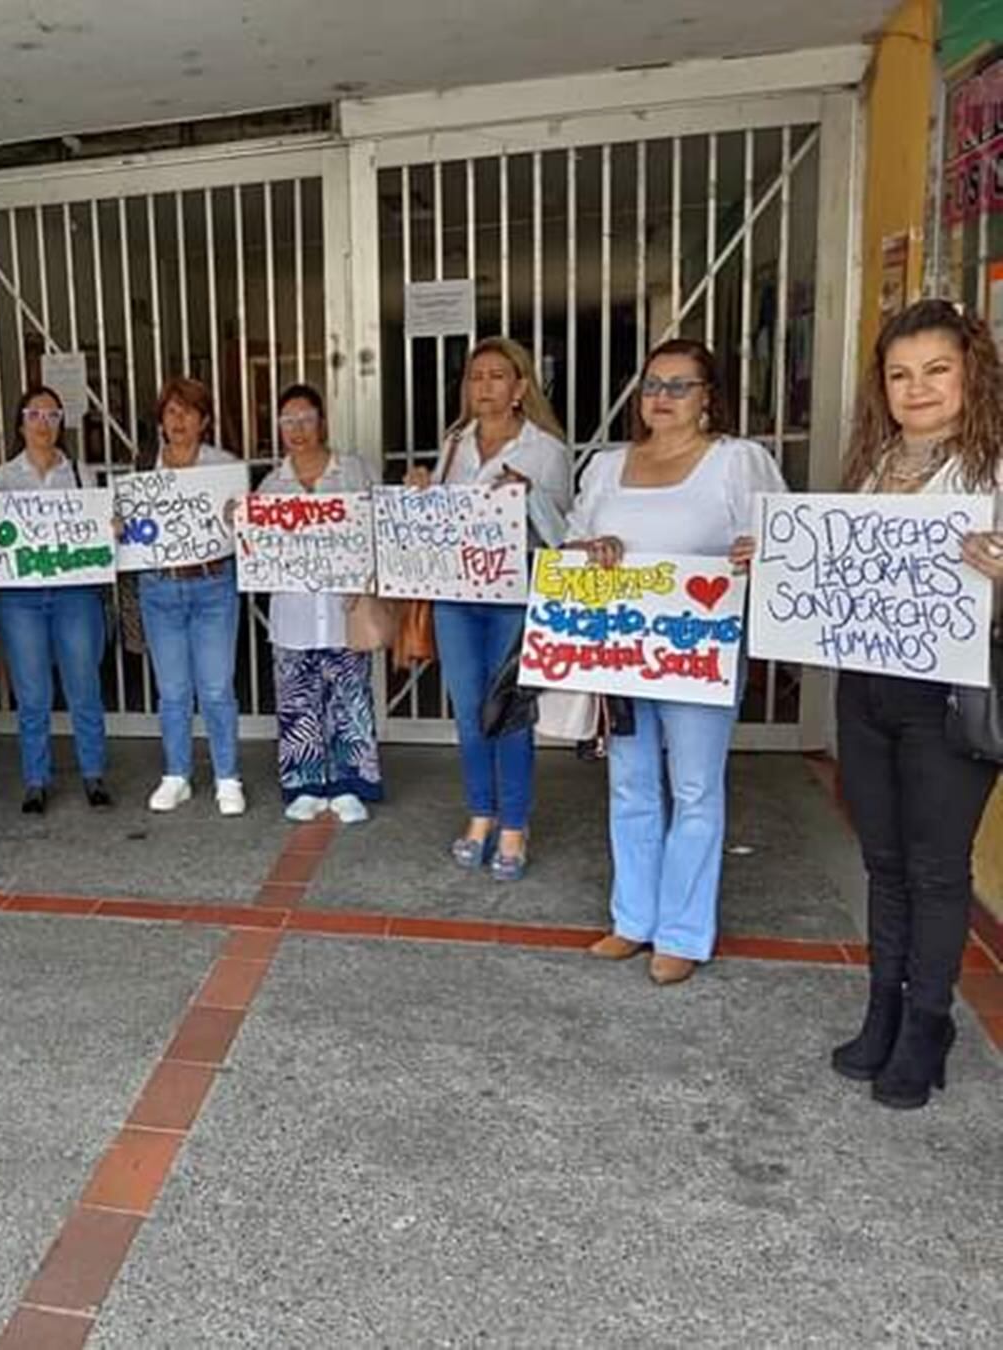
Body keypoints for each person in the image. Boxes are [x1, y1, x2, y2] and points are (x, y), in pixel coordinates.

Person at [564, 339, 785, 986]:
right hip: (622, 648)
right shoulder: (606, 466)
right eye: (653, 385)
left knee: (694, 788)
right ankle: (633, 918)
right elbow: (573, 540)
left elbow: (780, 537)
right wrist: (592, 546)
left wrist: (756, 551)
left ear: (708, 397)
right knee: (629, 781)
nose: (662, 398)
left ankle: (683, 930)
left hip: (699, 653)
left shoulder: (737, 462)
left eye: (679, 386)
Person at [828, 299, 1003, 1109]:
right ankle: (882, 1012)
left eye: (937, 370)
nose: (918, 388)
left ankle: (927, 1024)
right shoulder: (871, 462)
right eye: (900, 374)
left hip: (953, 694)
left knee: (936, 871)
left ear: (971, 373)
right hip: (866, 689)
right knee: (882, 860)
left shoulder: (995, 468)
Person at [409, 337, 573, 878]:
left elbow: (565, 537)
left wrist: (530, 495)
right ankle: (480, 812)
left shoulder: (545, 449)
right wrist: (423, 492)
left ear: (521, 386)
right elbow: (444, 521)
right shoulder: (455, 443)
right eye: (476, 377)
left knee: (509, 713)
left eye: (496, 376)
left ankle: (514, 824)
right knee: (468, 712)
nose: (484, 386)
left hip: (514, 594)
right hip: (457, 594)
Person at [259, 384, 381, 823]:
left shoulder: (353, 472)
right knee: (298, 702)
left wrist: (367, 578)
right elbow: (259, 548)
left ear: (322, 422)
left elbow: (377, 530)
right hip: (293, 612)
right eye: (288, 421)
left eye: (306, 418)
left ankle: (351, 784)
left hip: (344, 608)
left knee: (349, 699)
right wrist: (241, 518)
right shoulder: (271, 484)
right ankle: (305, 784)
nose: (297, 429)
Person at [0, 387, 111, 813]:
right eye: (34, 414)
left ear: (62, 422)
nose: (44, 423)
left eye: (52, 414)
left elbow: (99, 529)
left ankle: (94, 774)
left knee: (84, 685)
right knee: (32, 692)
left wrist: (108, 529)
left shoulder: (83, 474)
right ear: (19, 422)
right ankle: (35, 780)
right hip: (20, 598)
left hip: (75, 593)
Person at [137, 376, 243, 815]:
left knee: (217, 687)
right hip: (160, 586)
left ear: (205, 421)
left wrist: (242, 516)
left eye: (188, 412)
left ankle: (227, 776)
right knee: (173, 689)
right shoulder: (145, 469)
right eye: (171, 411)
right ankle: (176, 774)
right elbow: (135, 530)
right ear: (161, 420)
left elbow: (244, 533)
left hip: (213, 583)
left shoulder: (225, 466)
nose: (178, 420)